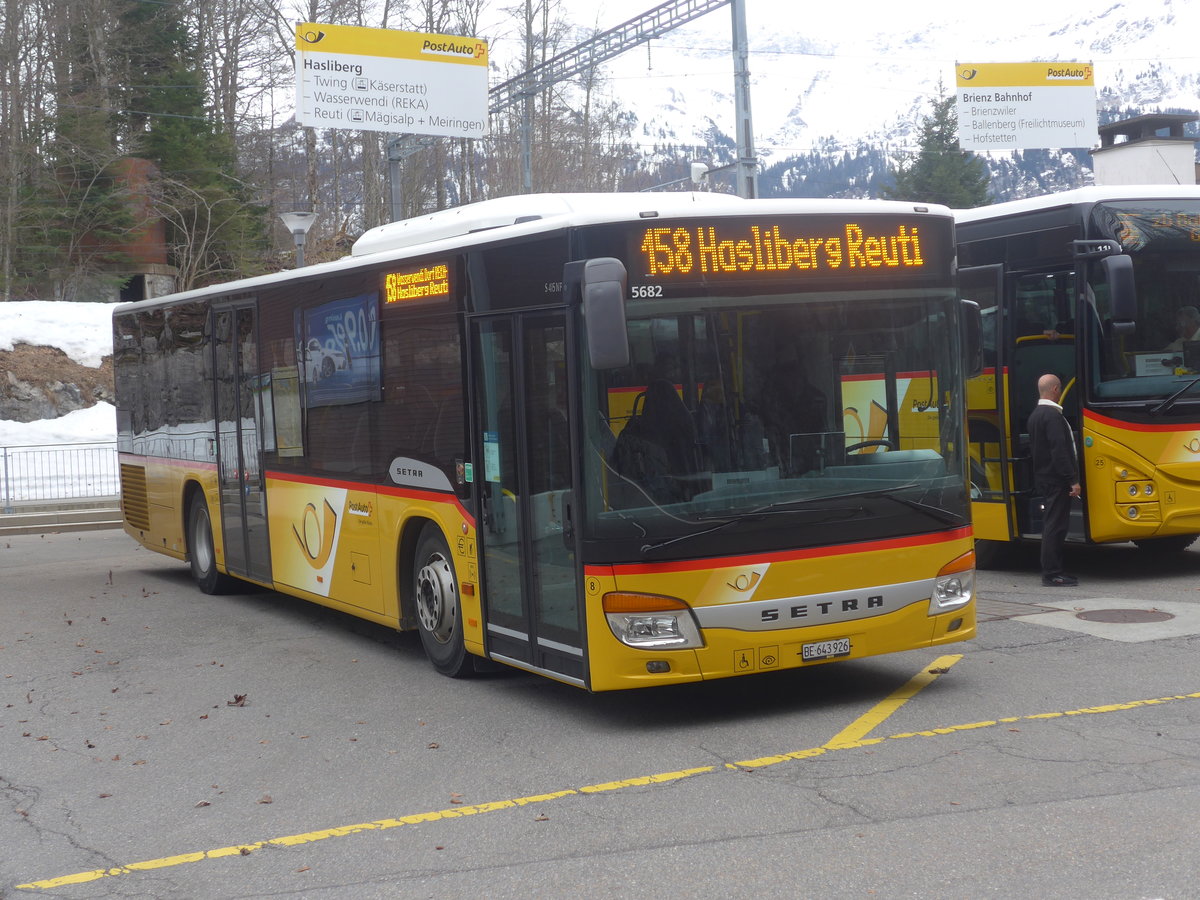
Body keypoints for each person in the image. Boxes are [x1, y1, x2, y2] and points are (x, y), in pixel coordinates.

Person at [1027, 374, 1081, 586]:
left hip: (1045, 477)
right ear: (1056, 389)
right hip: (1056, 479)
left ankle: (1053, 571)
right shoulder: (1052, 416)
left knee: (1052, 524)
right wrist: (1072, 479)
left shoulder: (1035, 415)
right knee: (1055, 526)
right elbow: (1060, 451)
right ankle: (1052, 573)